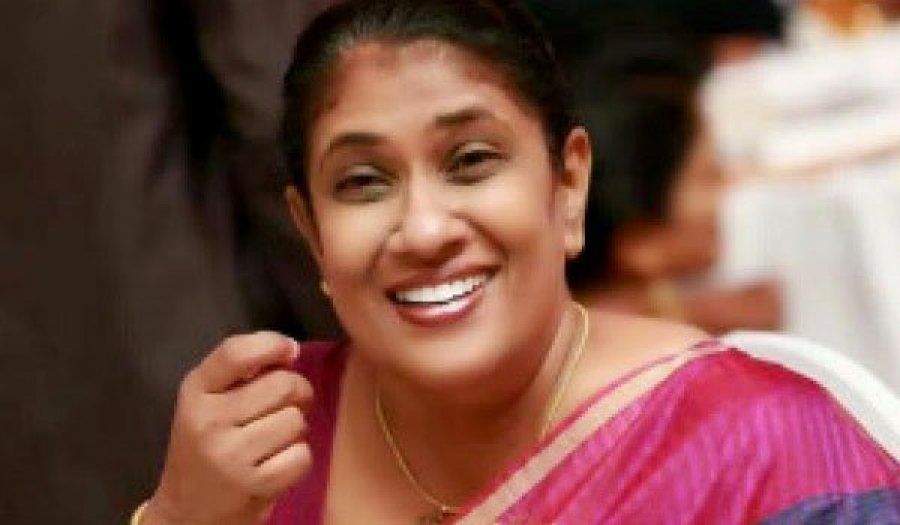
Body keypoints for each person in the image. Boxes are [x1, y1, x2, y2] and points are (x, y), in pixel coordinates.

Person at [133, 1, 900, 523]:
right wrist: (176, 516)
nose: (423, 229)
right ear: (310, 230)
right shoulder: (268, 444)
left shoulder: (758, 446)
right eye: (363, 182)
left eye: (471, 161)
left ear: (568, 186)